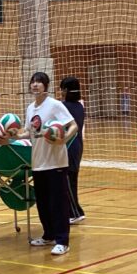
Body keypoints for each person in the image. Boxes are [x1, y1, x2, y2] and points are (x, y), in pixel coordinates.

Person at [18, 72, 77, 255]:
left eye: (39, 82)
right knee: (43, 203)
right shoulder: (30, 108)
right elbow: (29, 133)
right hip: (38, 162)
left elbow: (73, 126)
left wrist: (63, 139)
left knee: (58, 203)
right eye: (33, 82)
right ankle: (48, 235)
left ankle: (62, 241)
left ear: (46, 86)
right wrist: (11, 136)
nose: (35, 85)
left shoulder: (54, 105)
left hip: (56, 163)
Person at [60, 76, 86, 224]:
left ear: (65, 90)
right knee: (71, 179)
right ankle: (76, 211)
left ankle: (75, 213)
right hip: (78, 146)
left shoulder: (63, 106)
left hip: (69, 145)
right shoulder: (80, 106)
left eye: (62, 89)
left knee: (68, 180)